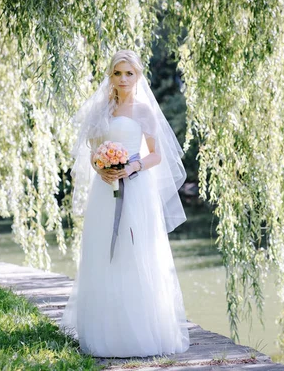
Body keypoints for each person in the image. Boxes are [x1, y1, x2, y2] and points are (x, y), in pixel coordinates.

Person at [60, 49, 190, 358]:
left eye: (129, 73)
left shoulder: (145, 111)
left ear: (138, 76)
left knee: (137, 252)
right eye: (118, 73)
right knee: (104, 252)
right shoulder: (101, 110)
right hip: (105, 189)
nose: (123, 79)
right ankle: (104, 331)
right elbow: (92, 152)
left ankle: (142, 331)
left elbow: (156, 154)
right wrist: (101, 168)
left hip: (137, 187)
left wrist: (131, 167)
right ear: (111, 76)